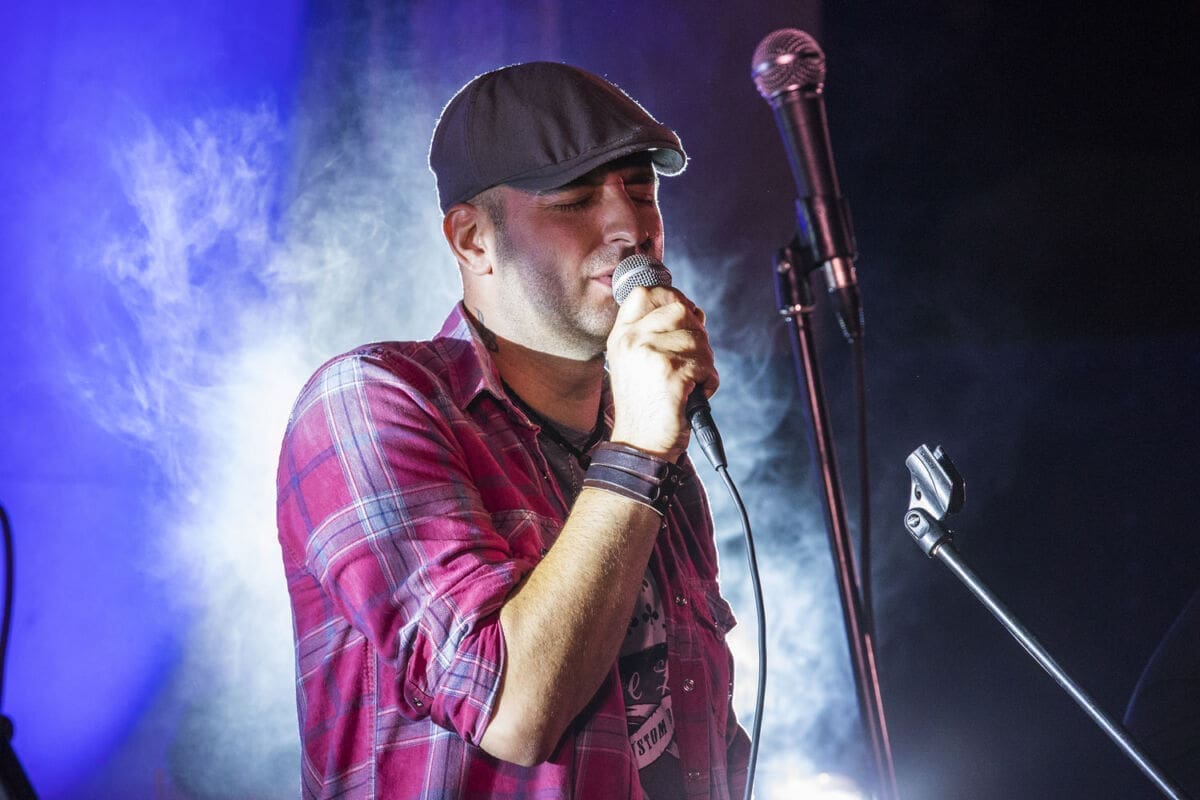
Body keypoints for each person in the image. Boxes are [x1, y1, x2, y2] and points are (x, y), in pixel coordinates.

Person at [276, 61, 749, 799]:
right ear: (472, 240)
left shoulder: (649, 448)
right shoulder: (370, 402)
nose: (630, 228)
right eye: (575, 199)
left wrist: (642, 448)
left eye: (640, 191)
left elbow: (700, 734)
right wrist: (638, 453)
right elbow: (512, 708)